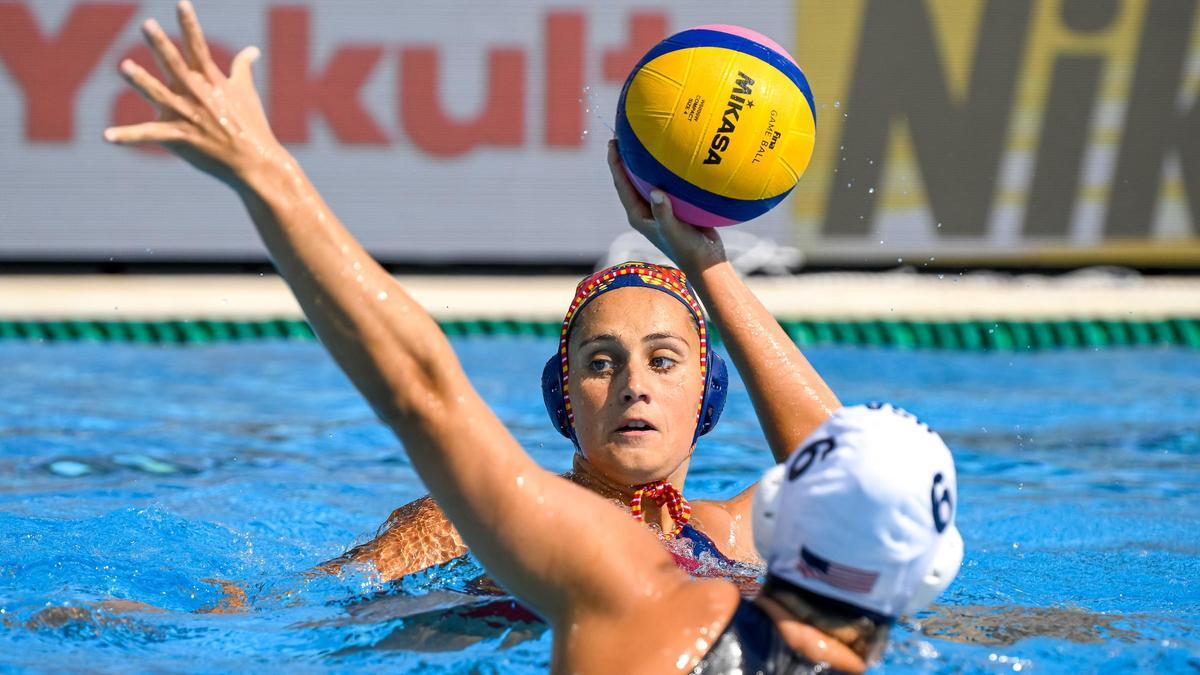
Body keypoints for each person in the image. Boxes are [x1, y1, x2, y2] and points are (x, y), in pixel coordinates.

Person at [105, 4, 964, 671]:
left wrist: (266, 175)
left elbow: (423, 391)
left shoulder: (659, 571)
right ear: (563, 398)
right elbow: (310, 614)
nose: (633, 385)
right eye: (602, 362)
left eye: (664, 360)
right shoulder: (461, 528)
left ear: (709, 393)